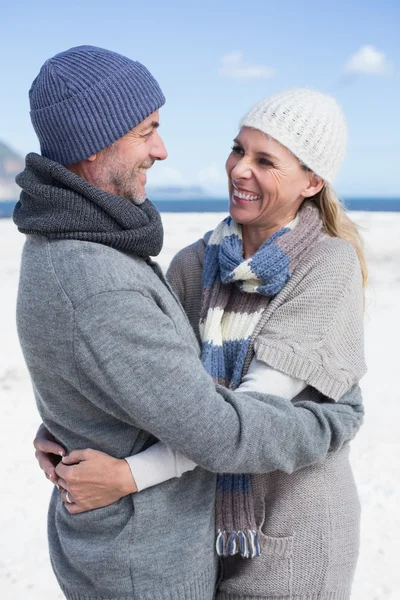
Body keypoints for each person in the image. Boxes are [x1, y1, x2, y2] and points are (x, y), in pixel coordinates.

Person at [16, 45, 364, 600]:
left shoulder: (326, 266)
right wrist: (73, 415)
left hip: (290, 526)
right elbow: (176, 400)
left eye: (266, 161)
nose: (240, 170)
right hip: (207, 530)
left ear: (312, 183)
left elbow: (242, 420)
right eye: (238, 149)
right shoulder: (192, 264)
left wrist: (127, 472)